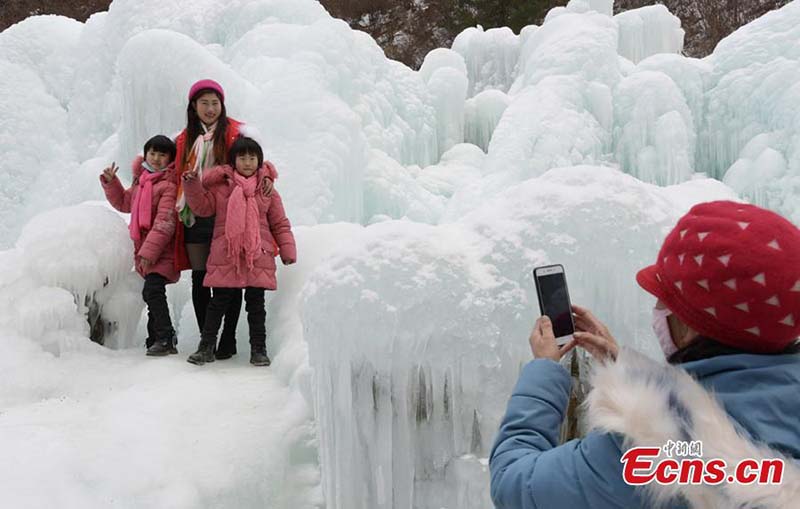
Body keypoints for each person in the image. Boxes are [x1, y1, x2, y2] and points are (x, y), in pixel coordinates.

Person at [490, 201, 800, 508]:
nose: (657, 309)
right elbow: (730, 408)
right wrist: (625, 370)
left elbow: (513, 482)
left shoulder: (646, 450)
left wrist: (543, 371)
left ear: (689, 327)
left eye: (666, 299)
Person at [173, 79, 274, 360]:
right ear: (193, 106)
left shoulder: (236, 131)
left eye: (215, 103)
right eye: (204, 103)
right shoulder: (183, 139)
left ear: (222, 105)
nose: (210, 109)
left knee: (231, 276)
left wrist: (267, 176)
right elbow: (170, 172)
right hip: (195, 212)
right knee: (200, 277)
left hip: (230, 212)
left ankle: (228, 339)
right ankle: (208, 339)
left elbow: (257, 161)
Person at [182, 136, 296, 366]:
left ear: (259, 161)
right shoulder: (221, 187)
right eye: (242, 157)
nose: (247, 162)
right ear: (233, 161)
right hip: (227, 253)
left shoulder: (267, 190)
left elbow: (279, 223)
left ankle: (258, 350)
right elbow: (202, 207)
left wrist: (287, 250)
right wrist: (192, 185)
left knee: (256, 305)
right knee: (218, 303)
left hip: (257, 254)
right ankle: (206, 347)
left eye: (252, 158)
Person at [100, 135, 180, 356]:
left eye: (162, 155)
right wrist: (112, 183)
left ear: (170, 159)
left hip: (161, 250)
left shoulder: (169, 186)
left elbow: (165, 222)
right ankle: (155, 337)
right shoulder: (142, 182)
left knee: (153, 290)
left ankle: (166, 336)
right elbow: (124, 203)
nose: (156, 158)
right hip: (145, 248)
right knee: (153, 292)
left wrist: (149, 252)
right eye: (152, 153)